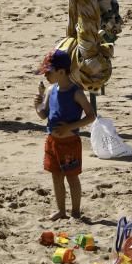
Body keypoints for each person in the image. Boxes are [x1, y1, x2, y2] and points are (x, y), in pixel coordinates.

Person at [34, 48, 96, 220]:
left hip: (69, 143)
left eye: (48, 72)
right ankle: (61, 210)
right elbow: (43, 114)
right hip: (52, 142)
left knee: (72, 178)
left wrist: (70, 127)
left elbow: (91, 116)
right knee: (56, 177)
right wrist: (37, 104)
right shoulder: (50, 90)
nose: (45, 76)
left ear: (61, 72)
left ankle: (75, 211)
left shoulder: (75, 92)